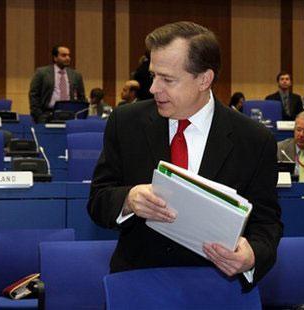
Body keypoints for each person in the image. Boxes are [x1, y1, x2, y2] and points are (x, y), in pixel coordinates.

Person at [87, 21, 282, 289]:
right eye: (153, 75)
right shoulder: (126, 122)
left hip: (214, 288)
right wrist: (128, 200)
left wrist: (252, 257)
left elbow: (266, 223)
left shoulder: (254, 140)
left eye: (167, 79)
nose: (154, 88)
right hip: (138, 283)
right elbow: (98, 200)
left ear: (204, 79)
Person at [29, 45, 86, 123]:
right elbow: (34, 95)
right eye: (63, 55)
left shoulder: (76, 75)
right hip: (47, 115)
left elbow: (81, 97)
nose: (67, 58)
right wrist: (38, 115)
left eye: (69, 55)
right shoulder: (42, 73)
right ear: (55, 58)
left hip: (70, 116)